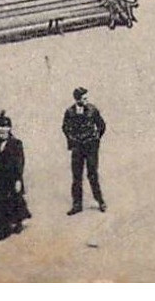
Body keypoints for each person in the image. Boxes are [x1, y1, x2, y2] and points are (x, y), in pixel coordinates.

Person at [62, 86, 108, 215]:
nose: (87, 100)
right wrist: (72, 141)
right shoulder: (69, 112)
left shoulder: (93, 110)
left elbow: (102, 126)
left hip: (90, 147)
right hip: (77, 148)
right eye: (84, 98)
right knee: (76, 176)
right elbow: (65, 128)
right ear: (77, 99)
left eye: (87, 98)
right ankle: (77, 204)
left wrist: (95, 140)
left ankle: (100, 201)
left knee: (92, 174)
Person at [0, 112, 31, 240]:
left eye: (4, 127)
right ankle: (1, 229)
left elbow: (19, 163)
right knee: (0, 202)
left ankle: (14, 224)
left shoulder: (16, 143)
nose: (1, 130)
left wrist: (18, 179)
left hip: (11, 178)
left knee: (13, 200)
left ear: (9, 128)